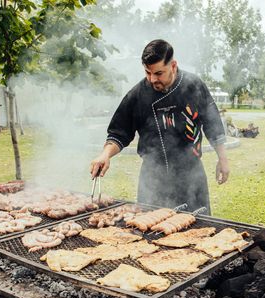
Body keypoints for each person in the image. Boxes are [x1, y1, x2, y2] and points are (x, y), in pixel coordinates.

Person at [90, 39, 229, 213]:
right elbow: (119, 132)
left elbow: (212, 122)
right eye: (148, 72)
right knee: (150, 231)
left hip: (191, 174)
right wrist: (105, 155)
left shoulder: (194, 85)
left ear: (173, 65)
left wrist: (222, 159)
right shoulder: (137, 95)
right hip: (153, 179)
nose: (152, 79)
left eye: (158, 73)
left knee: (199, 231)